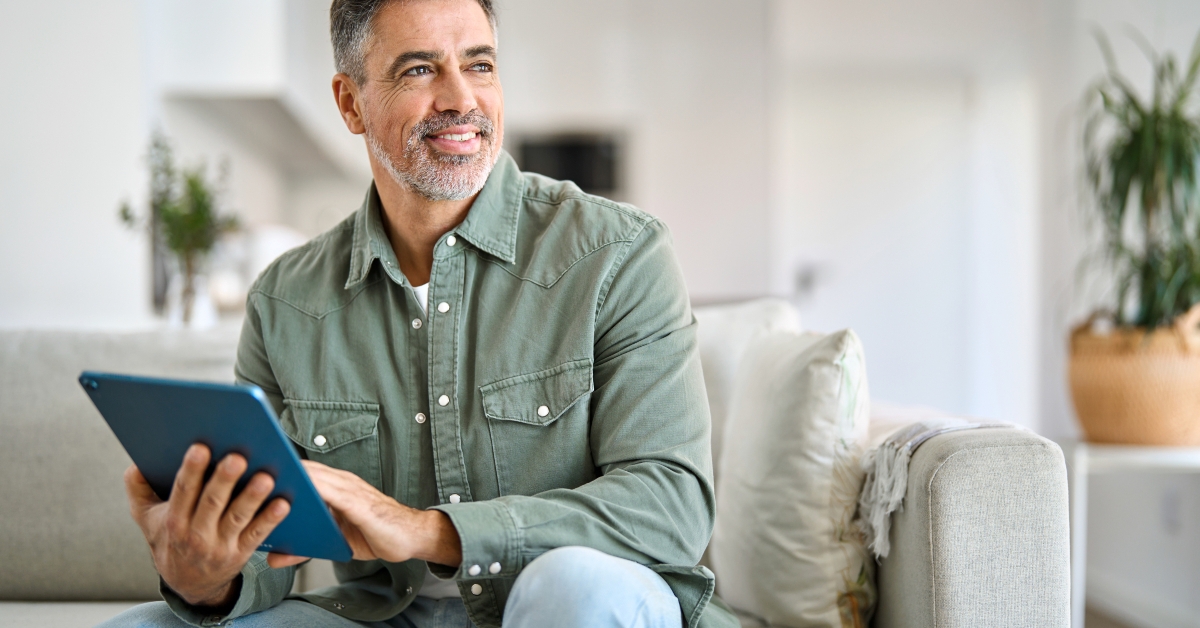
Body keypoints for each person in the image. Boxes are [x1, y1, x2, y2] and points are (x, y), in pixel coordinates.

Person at [101, 0, 735, 626]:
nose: (462, 98)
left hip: (577, 606)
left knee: (571, 584)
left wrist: (428, 531)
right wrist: (206, 577)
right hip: (385, 617)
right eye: (419, 69)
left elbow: (670, 507)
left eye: (479, 64)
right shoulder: (285, 302)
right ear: (351, 103)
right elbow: (272, 549)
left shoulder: (619, 254)